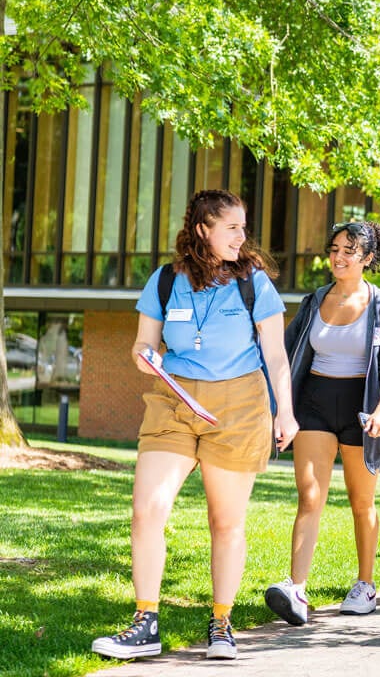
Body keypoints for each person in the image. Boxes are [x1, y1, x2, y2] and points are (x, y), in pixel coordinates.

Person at [92, 189, 297, 661]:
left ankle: (221, 623)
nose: (242, 237)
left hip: (240, 405)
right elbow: (144, 342)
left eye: (244, 228)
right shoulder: (165, 281)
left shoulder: (254, 284)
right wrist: (146, 357)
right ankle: (146, 622)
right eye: (232, 227)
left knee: (225, 522)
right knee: (147, 510)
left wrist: (284, 411)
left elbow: (276, 356)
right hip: (174, 400)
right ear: (203, 228)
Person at [263, 222, 380, 625]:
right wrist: (282, 408)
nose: (339, 257)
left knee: (362, 502)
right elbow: (286, 351)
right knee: (310, 496)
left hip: (361, 409)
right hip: (314, 403)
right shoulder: (314, 301)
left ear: (367, 258)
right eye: (334, 249)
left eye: (349, 250)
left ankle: (365, 584)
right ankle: (296, 589)